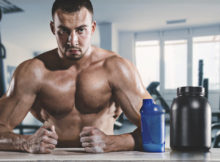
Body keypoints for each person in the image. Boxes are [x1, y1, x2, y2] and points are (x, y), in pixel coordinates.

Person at [0, 0, 152, 154]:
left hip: (102, 158)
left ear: (92, 28)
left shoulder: (117, 69)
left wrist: (115, 142)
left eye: (80, 30)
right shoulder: (33, 72)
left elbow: (155, 129)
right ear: (53, 28)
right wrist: (26, 142)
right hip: (54, 158)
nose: (72, 41)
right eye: (64, 31)